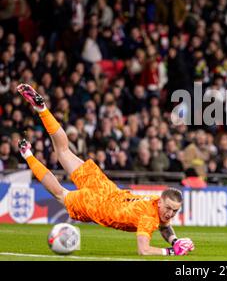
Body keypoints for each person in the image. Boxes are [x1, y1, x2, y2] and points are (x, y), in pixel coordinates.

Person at [16, 83, 194, 256]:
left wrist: (174, 241)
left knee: (63, 151)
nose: (170, 214)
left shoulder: (158, 202)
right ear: (161, 202)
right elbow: (144, 251)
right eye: (169, 208)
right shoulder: (148, 218)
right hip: (97, 205)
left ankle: (42, 109)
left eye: (175, 211)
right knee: (60, 194)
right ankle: (28, 155)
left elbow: (165, 225)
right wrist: (171, 252)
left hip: (104, 187)